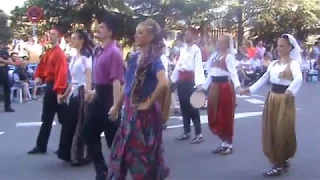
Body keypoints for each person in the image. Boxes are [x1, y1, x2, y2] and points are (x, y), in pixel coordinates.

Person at [107, 18, 170, 180]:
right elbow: (127, 86)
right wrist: (116, 106)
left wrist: (149, 101)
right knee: (123, 153)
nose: (136, 35)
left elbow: (164, 83)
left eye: (140, 33)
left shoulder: (155, 60)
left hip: (145, 116)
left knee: (142, 157)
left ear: (150, 37)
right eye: (136, 31)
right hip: (130, 111)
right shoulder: (134, 58)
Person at [240, 34, 303, 177]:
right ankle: (278, 160)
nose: (278, 48)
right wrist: (249, 89)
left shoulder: (293, 64)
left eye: (282, 46)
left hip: (285, 99)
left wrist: (290, 90)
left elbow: (299, 78)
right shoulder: (274, 64)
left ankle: (281, 161)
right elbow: (264, 78)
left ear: (290, 48)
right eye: (278, 45)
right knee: (272, 130)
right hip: (272, 99)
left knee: (282, 130)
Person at [82, 16, 124, 180]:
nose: (98, 29)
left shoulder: (114, 52)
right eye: (98, 26)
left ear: (110, 32)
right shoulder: (99, 50)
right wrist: (93, 92)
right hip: (99, 95)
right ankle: (102, 169)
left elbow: (115, 81)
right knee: (88, 133)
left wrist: (115, 107)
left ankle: (115, 171)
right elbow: (101, 78)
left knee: (112, 139)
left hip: (108, 98)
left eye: (102, 27)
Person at [28, 27, 68, 154]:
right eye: (49, 34)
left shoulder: (59, 53)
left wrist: (59, 91)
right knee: (53, 118)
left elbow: (61, 73)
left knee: (59, 119)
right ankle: (46, 146)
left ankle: (60, 146)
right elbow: (41, 67)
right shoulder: (49, 52)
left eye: (53, 34)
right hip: (51, 86)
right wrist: (39, 76)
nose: (50, 36)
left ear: (59, 37)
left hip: (55, 87)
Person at [199, 34, 240, 155]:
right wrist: (203, 87)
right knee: (214, 113)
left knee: (225, 115)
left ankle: (229, 144)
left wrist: (237, 87)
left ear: (227, 44)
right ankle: (223, 142)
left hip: (225, 87)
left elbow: (233, 73)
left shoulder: (229, 57)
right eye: (218, 41)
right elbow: (211, 75)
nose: (218, 43)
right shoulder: (214, 56)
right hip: (214, 87)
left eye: (221, 41)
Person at [57, 29, 93, 166]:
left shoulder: (86, 56)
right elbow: (73, 80)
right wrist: (64, 95)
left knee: (80, 123)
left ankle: (80, 155)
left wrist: (88, 92)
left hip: (82, 91)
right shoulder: (74, 57)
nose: (71, 41)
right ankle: (65, 152)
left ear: (81, 40)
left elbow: (89, 75)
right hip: (74, 92)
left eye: (74, 38)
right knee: (69, 123)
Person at [170, 27, 205, 143]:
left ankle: (199, 133)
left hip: (190, 81)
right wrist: (173, 80)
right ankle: (186, 131)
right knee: (184, 106)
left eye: (188, 34)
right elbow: (178, 65)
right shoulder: (183, 49)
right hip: (181, 80)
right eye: (185, 34)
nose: (185, 36)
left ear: (194, 37)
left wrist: (199, 84)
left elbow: (198, 67)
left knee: (192, 106)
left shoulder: (196, 50)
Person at [0, 41, 15, 112]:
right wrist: (5, 61)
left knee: (7, 89)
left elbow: (10, 61)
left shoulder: (5, 52)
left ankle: (7, 107)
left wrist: (3, 61)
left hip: (4, 71)